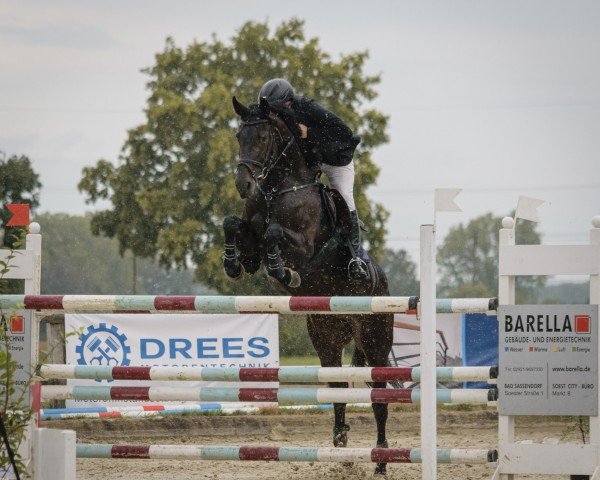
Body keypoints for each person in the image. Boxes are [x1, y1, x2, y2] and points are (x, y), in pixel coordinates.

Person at [258, 78, 370, 280]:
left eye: (275, 110)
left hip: (336, 159)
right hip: (312, 161)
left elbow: (343, 132)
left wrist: (310, 132)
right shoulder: (277, 115)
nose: (272, 115)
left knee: (345, 197)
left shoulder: (308, 108)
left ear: (288, 103)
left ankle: (356, 258)